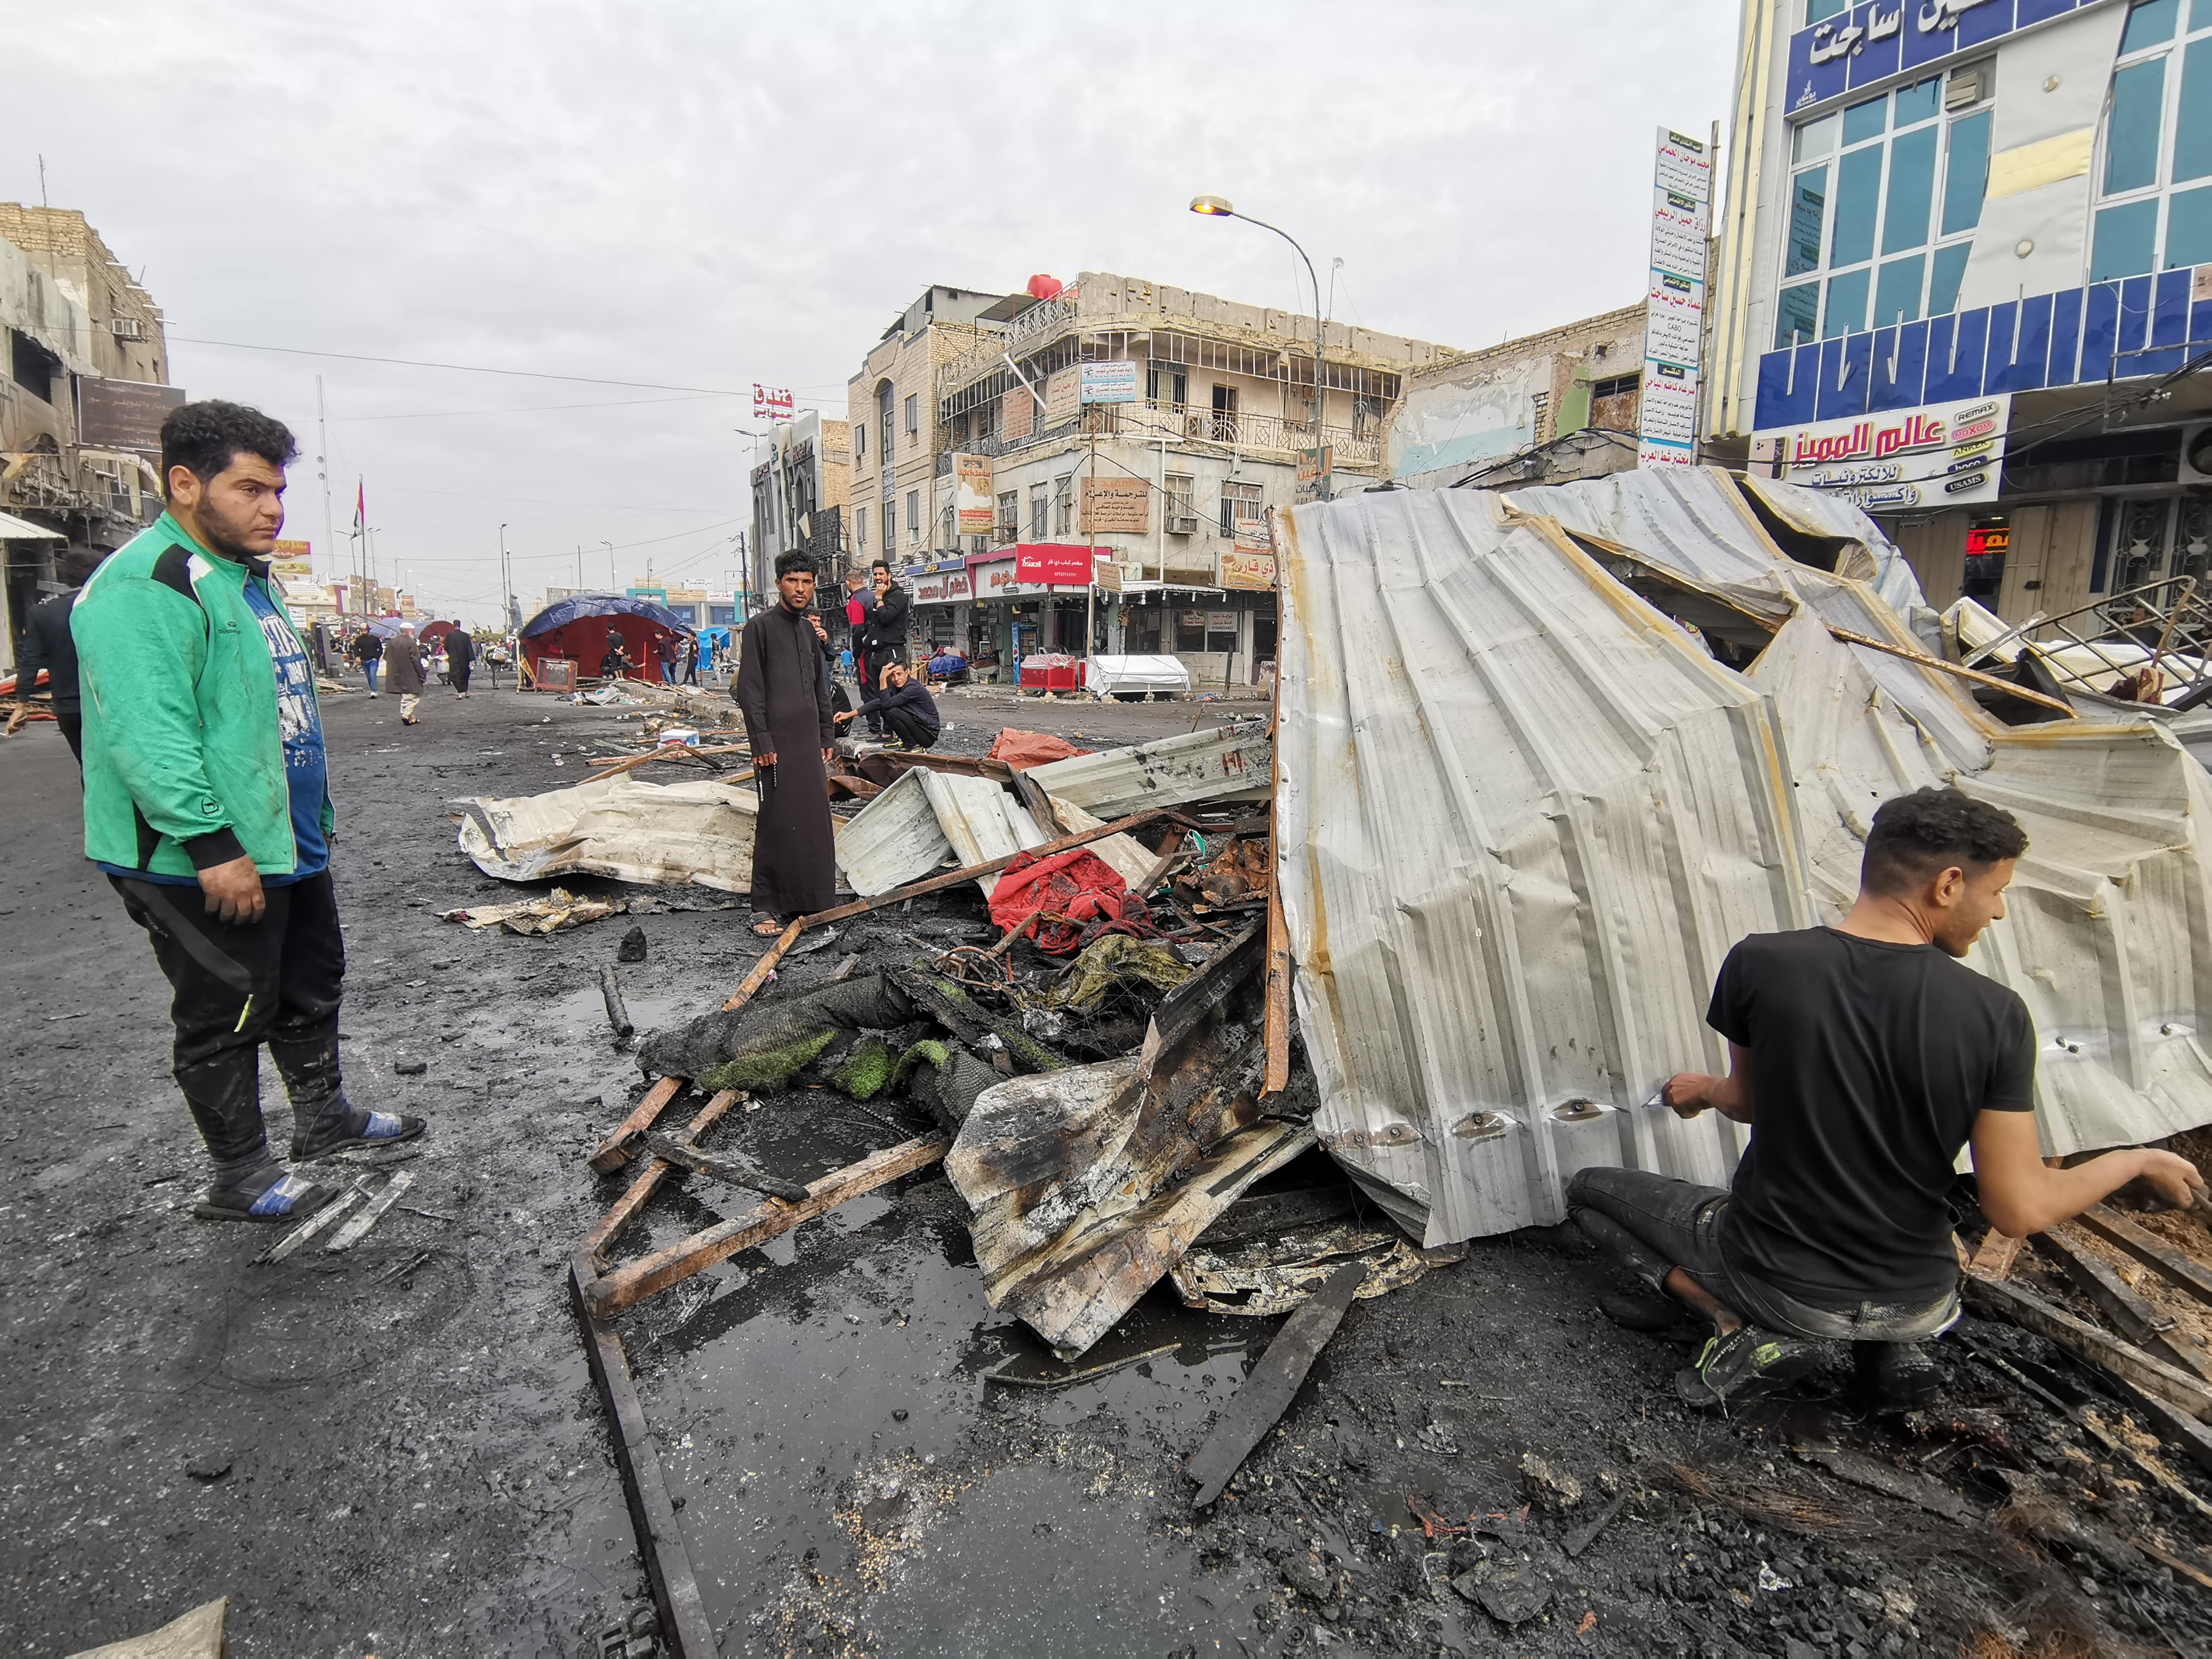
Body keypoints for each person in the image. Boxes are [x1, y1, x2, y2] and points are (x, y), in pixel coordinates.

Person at [1567, 786, 2208, 1412]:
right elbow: (2019, 1207)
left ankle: (1731, 1319)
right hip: (1922, 1297)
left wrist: (1701, 1090)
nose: (1999, 913)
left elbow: (1747, 1103)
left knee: (1592, 1192)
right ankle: (1895, 1348)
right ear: (1948, 884)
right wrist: (2132, 1159)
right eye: (1999, 893)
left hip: (1781, 1284)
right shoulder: (1997, 1016)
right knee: (1901, 1297)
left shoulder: (1762, 963)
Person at [71, 399, 425, 1225]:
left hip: (283, 839)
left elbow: (281, 715)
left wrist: (317, 813)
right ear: (185, 484)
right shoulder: (144, 586)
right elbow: (148, 732)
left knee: (311, 981)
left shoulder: (249, 580)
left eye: (278, 493)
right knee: (228, 1003)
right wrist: (208, 841)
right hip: (197, 854)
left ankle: (323, 1120)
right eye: (251, 490)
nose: (272, 509)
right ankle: (239, 1175)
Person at [735, 551, 837, 937]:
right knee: (776, 822)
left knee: (812, 822)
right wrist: (761, 740)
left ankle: (812, 903)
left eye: (807, 581)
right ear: (779, 583)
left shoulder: (809, 632)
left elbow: (819, 689)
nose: (800, 589)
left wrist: (827, 734)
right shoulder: (759, 628)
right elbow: (751, 691)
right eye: (793, 581)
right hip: (774, 745)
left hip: (808, 744)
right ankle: (766, 906)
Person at [12, 548, 102, 764]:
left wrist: (21, 704)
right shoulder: (109, 606)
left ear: (64, 578)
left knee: (88, 768)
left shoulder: (43, 612)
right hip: (108, 703)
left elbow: (30, 660)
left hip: (69, 708)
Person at [855, 559, 910, 735]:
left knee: (892, 694)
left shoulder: (898, 596)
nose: (878, 578)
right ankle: (885, 733)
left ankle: (896, 733)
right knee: (880, 694)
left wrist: (878, 599)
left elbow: (886, 617)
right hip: (876, 652)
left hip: (892, 651)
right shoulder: (879, 596)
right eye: (875, 574)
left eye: (881, 574)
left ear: (889, 576)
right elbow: (874, 621)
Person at [834, 660, 940, 750]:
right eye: (892, 676)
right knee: (885, 705)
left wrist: (882, 679)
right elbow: (877, 703)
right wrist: (849, 715)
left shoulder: (913, 688)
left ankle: (914, 745)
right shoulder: (898, 688)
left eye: (899, 674)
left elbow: (886, 704)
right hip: (919, 729)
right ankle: (897, 738)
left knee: (891, 711)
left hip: (927, 735)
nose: (896, 679)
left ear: (908, 672)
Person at [387, 625, 426, 724]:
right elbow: (416, 660)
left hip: (395, 673)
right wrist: (422, 675)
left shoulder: (391, 642)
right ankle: (406, 714)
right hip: (410, 673)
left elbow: (386, 656)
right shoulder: (410, 642)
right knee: (414, 697)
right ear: (409, 631)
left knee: (405, 696)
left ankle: (410, 717)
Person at [349, 625, 383, 696]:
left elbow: (380, 649)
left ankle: (374, 690)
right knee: (369, 676)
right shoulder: (359, 640)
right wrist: (357, 657)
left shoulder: (375, 639)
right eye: (362, 630)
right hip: (364, 660)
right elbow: (355, 649)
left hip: (373, 660)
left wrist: (376, 658)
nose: (363, 632)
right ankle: (372, 689)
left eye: (364, 630)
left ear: (368, 630)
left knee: (373, 675)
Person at [445, 624, 475, 697]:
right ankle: (466, 691)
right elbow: (469, 647)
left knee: (455, 675)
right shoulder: (465, 636)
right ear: (460, 625)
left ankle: (460, 692)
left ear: (453, 625)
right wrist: (472, 659)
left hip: (453, 658)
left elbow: (446, 647)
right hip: (464, 659)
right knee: (465, 675)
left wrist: (451, 653)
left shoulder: (449, 636)